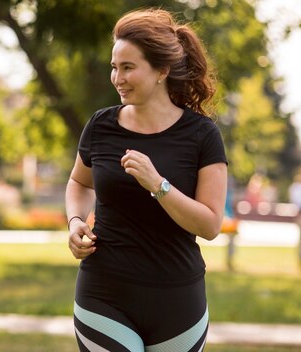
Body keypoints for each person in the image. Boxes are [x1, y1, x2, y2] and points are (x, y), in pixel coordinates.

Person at [64, 8, 227, 352]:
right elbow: (79, 183)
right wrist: (76, 221)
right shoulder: (101, 125)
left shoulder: (202, 135)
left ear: (161, 71)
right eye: (114, 67)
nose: (117, 78)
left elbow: (211, 225)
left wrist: (159, 186)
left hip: (177, 302)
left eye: (127, 67)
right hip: (104, 294)